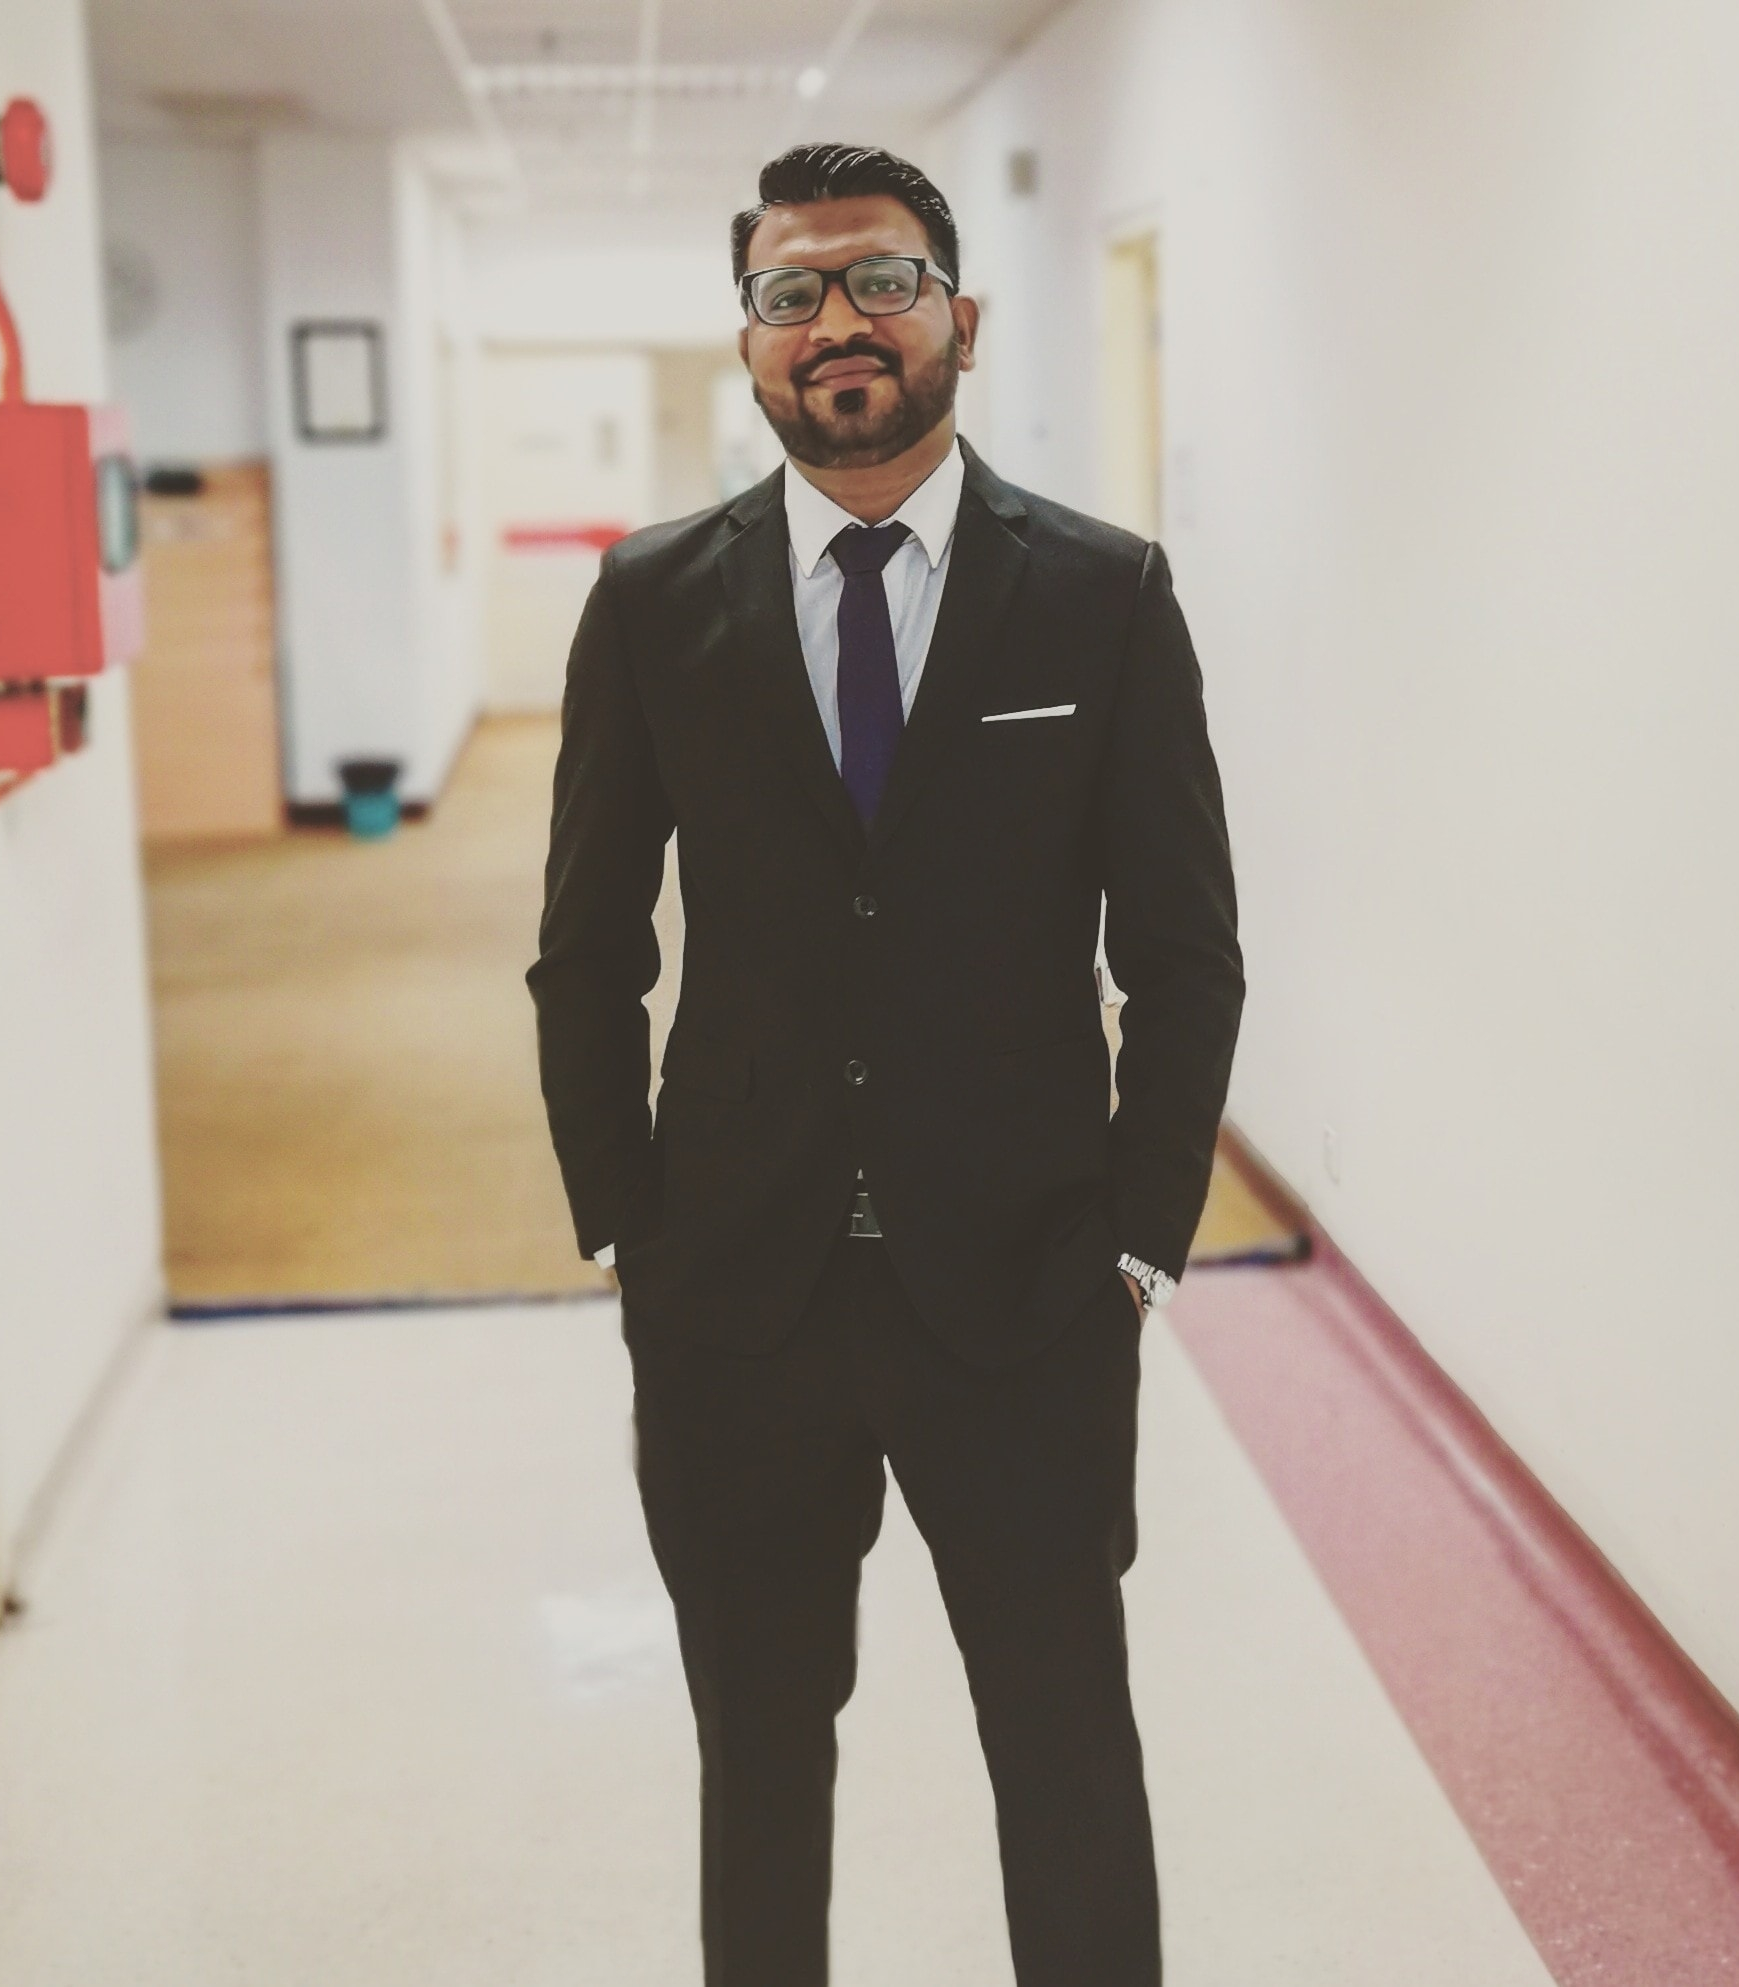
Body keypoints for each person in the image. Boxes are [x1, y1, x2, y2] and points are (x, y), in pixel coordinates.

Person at [527, 141, 1243, 1987]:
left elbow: (1181, 955)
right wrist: (625, 1230)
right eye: (791, 292)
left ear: (959, 319)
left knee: (1064, 1748)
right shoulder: (652, 599)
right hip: (733, 1296)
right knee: (758, 1757)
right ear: (749, 344)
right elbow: (587, 949)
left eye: (881, 281)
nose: (837, 321)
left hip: (1026, 1287)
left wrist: (1137, 1242)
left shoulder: (1097, 592)